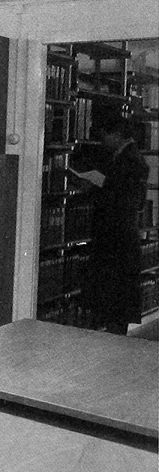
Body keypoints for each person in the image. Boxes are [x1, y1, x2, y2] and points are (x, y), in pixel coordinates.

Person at [76, 114, 148, 335]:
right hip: (121, 233)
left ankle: (114, 335)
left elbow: (122, 195)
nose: (103, 141)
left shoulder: (130, 160)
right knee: (116, 291)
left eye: (105, 135)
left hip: (117, 233)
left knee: (115, 290)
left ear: (117, 134)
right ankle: (114, 331)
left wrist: (96, 183)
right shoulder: (129, 157)